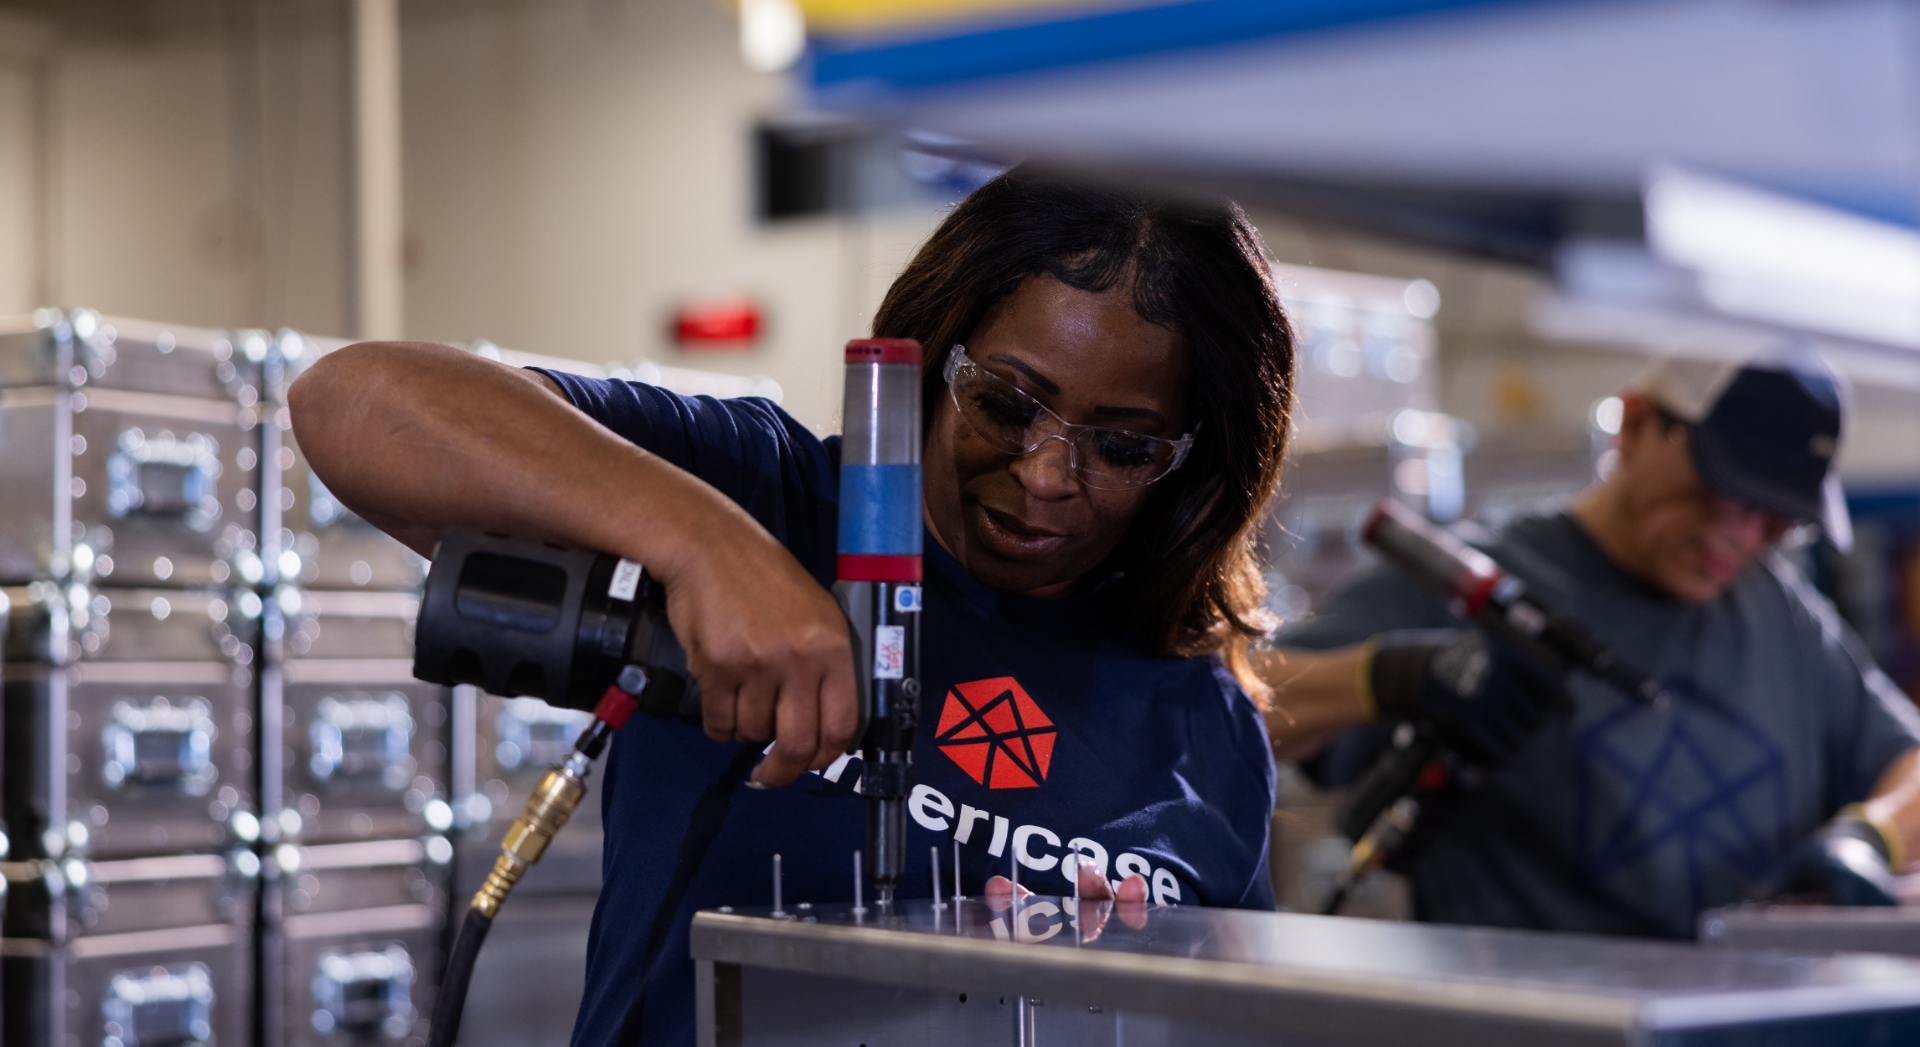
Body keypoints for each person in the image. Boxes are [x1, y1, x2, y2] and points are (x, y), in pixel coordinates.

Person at [289, 167, 1295, 1047]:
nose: (1044, 475)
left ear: (1192, 466)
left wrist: (1132, 1008)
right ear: (938, 355)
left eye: (1120, 447)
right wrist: (705, 546)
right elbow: (356, 402)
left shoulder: (1201, 725)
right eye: (1006, 403)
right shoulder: (771, 497)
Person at [1262, 353, 1920, 938]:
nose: (1743, 535)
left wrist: (1873, 835)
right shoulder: (1473, 583)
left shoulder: (1779, 612)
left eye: (1777, 513)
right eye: (1724, 492)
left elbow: (1910, 760)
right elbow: (1240, 710)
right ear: (1634, 425)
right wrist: (1394, 674)